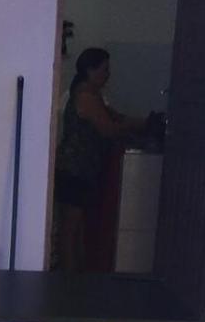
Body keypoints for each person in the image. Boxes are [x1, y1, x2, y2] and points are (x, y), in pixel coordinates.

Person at [53, 47, 148, 271]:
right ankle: (68, 281)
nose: (108, 75)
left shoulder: (92, 95)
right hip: (75, 169)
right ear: (90, 70)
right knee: (70, 229)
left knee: (76, 228)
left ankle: (76, 276)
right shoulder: (85, 97)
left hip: (81, 169)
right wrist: (130, 127)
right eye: (104, 70)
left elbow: (116, 117)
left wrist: (141, 123)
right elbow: (108, 129)